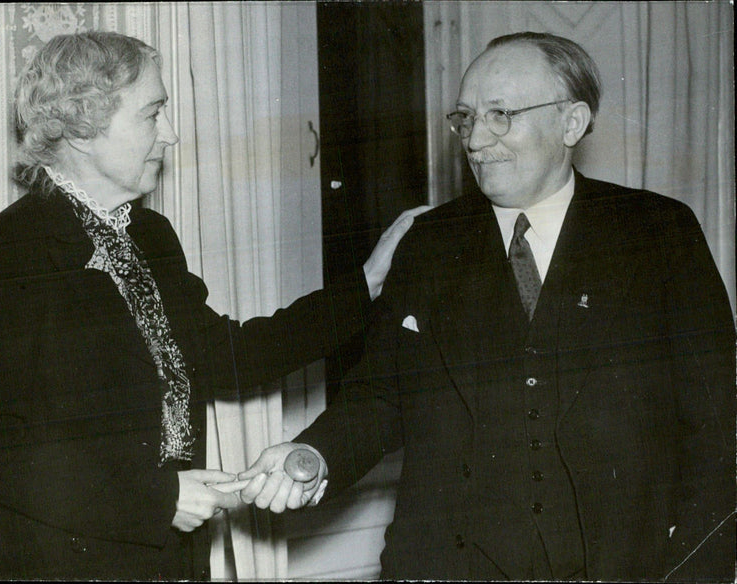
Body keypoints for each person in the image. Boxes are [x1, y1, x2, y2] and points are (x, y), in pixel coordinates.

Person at [239, 32, 736, 581]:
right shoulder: (429, 243)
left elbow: (719, 428)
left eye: (501, 115)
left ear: (571, 123)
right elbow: (380, 394)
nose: (476, 141)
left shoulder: (656, 233)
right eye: (466, 118)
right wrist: (314, 455)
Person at [0, 31, 428, 580]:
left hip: (168, 562)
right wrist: (157, 497)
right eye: (153, 114)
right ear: (81, 128)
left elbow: (228, 355)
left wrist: (366, 284)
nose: (170, 134)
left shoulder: (150, 235)